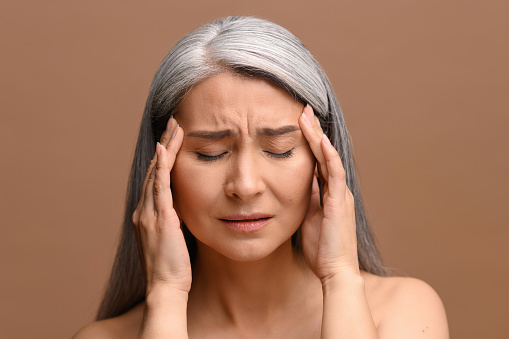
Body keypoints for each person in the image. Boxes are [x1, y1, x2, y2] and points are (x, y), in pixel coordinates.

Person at [74, 16, 449, 338]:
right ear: (162, 169)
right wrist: (166, 296)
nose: (246, 185)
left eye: (280, 149)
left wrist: (340, 278)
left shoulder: (403, 313)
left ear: (324, 161)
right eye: (210, 153)